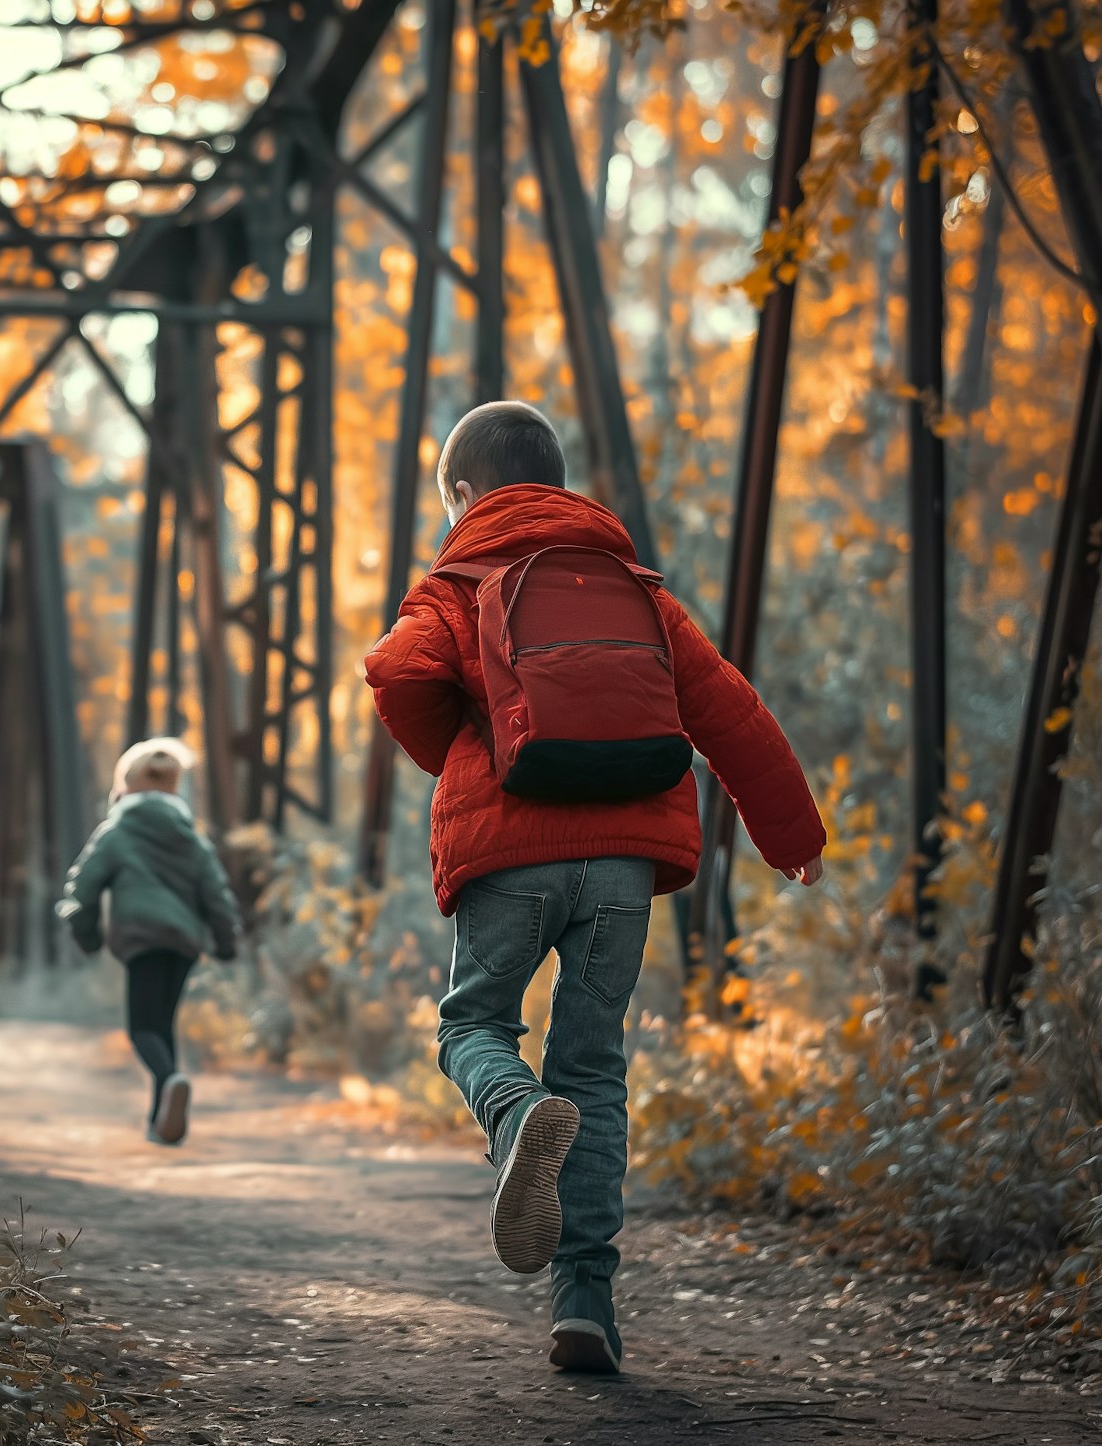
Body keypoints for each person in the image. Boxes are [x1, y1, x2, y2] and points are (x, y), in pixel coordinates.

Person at [364, 401, 826, 1375]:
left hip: (510, 853)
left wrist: (454, 750)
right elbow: (727, 708)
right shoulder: (635, 588)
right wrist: (791, 836)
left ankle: (513, 1113)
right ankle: (586, 1306)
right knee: (596, 1069)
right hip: (624, 857)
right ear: (559, 480)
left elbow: (397, 674)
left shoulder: (457, 581)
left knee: (473, 1028)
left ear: (461, 492)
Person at [57, 737, 241, 1145]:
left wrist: (86, 937)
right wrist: (226, 943)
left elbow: (82, 890)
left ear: (126, 786)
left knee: (142, 1028)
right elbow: (217, 894)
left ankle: (169, 1080)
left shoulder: (117, 831)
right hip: (183, 945)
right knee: (163, 1026)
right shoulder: (190, 837)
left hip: (142, 939)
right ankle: (161, 1122)